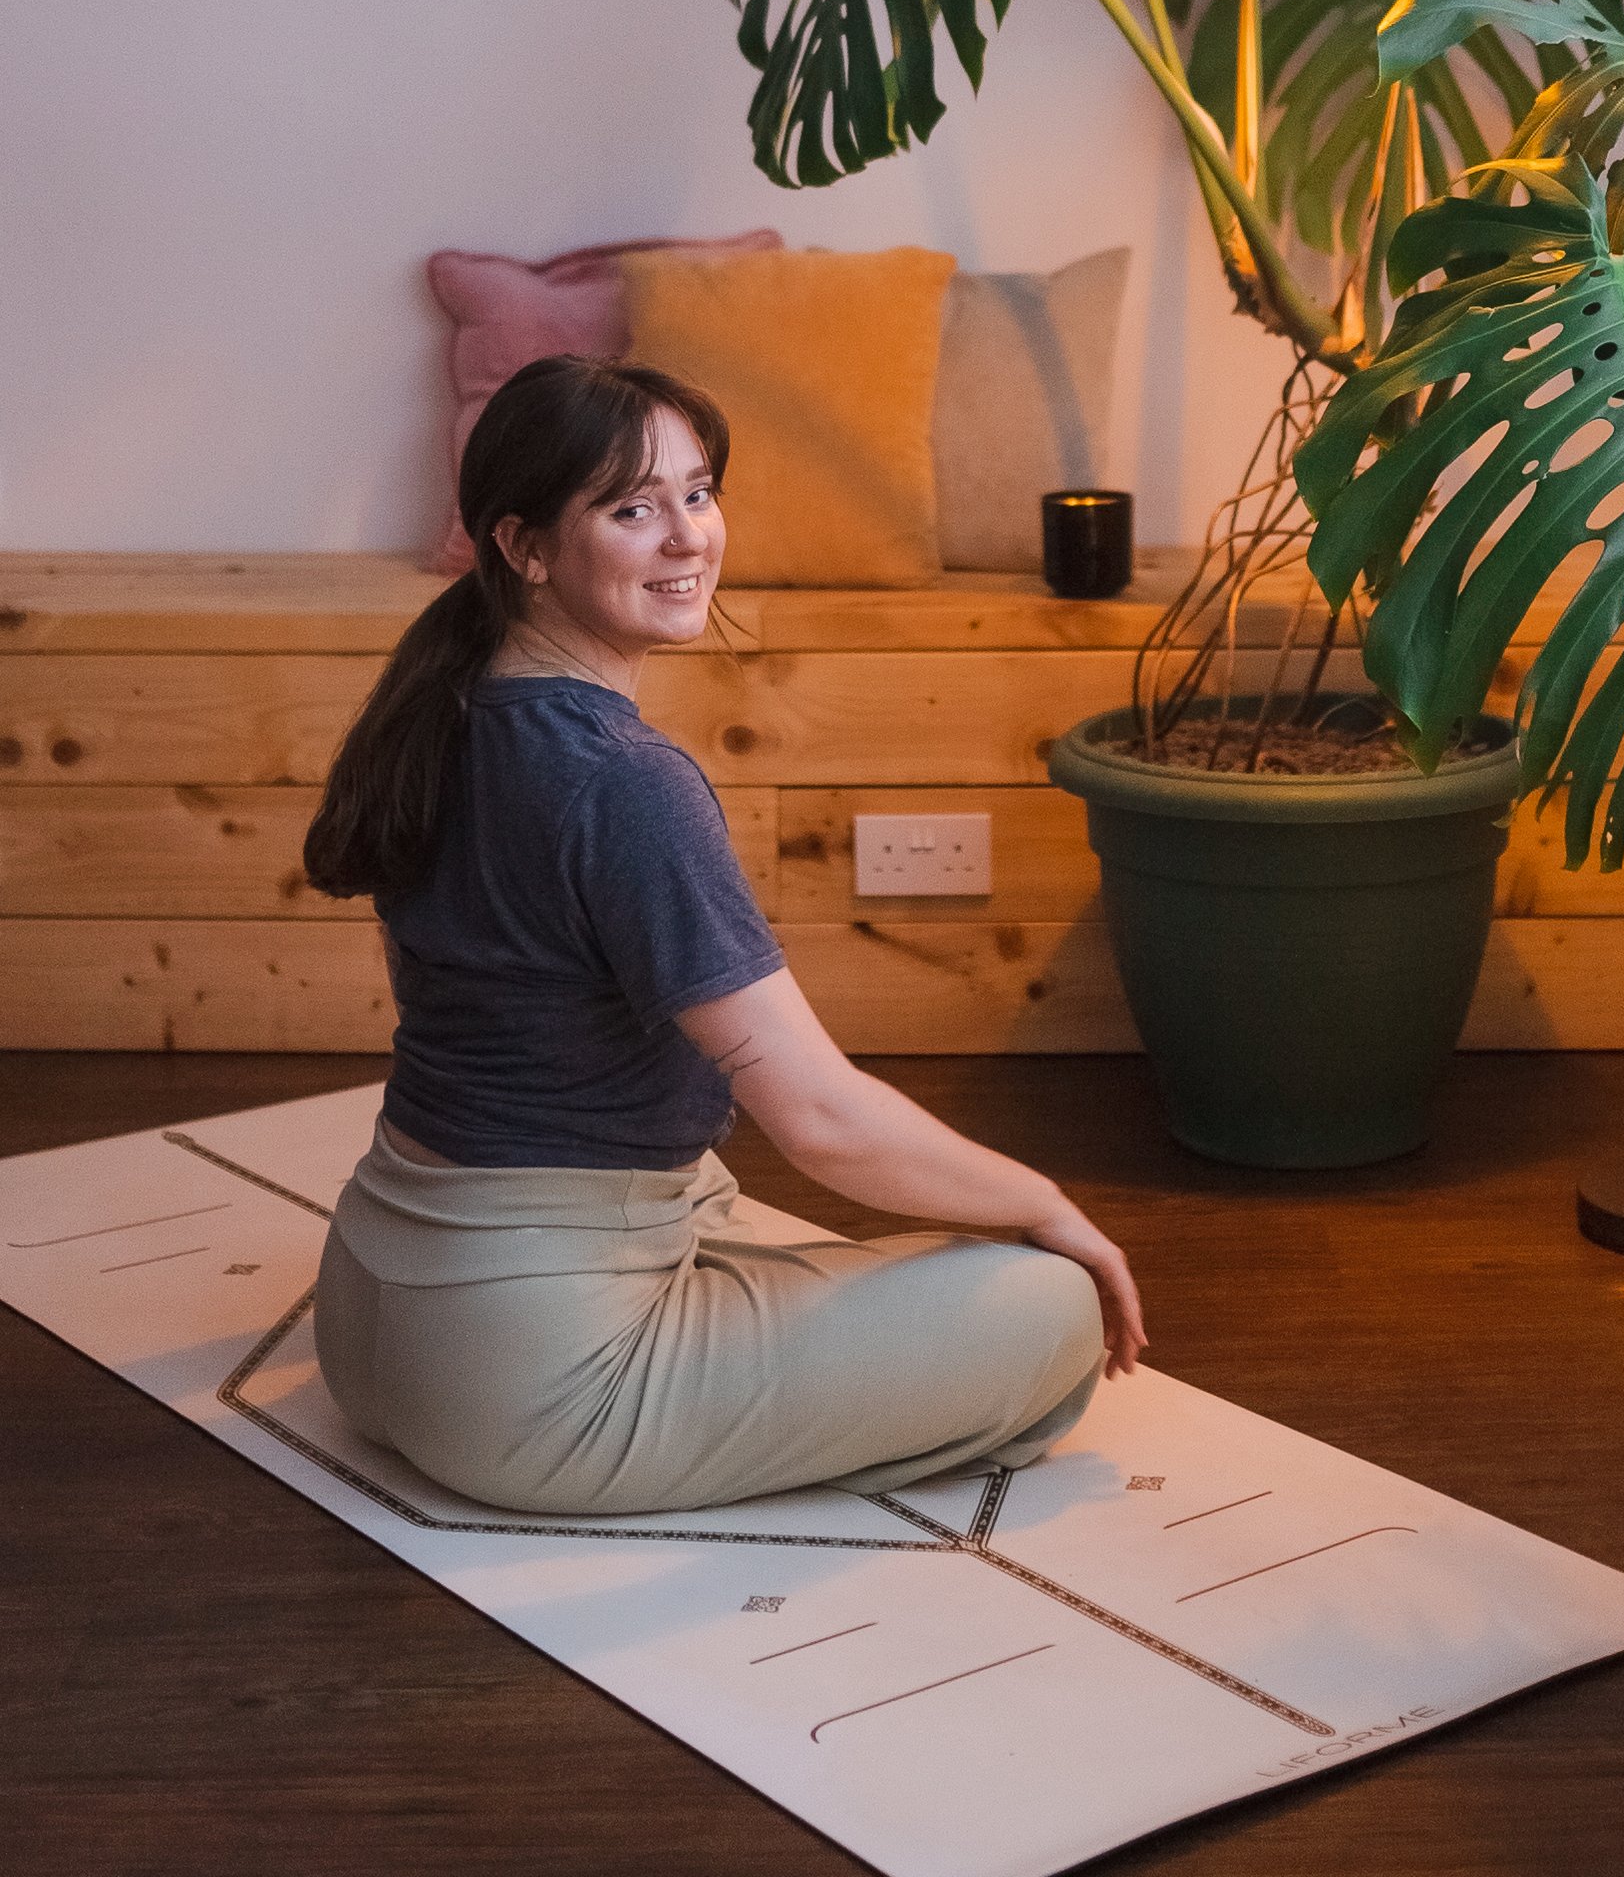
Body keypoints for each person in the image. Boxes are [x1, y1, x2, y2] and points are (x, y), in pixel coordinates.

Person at [301, 353, 1144, 1518]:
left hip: (368, 1315)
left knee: (707, 1181)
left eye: (698, 493)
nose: (689, 537)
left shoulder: (440, 705)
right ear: (525, 544)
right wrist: (1043, 1201)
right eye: (632, 508)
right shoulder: (622, 779)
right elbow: (823, 1121)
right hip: (529, 1392)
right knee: (1047, 1300)